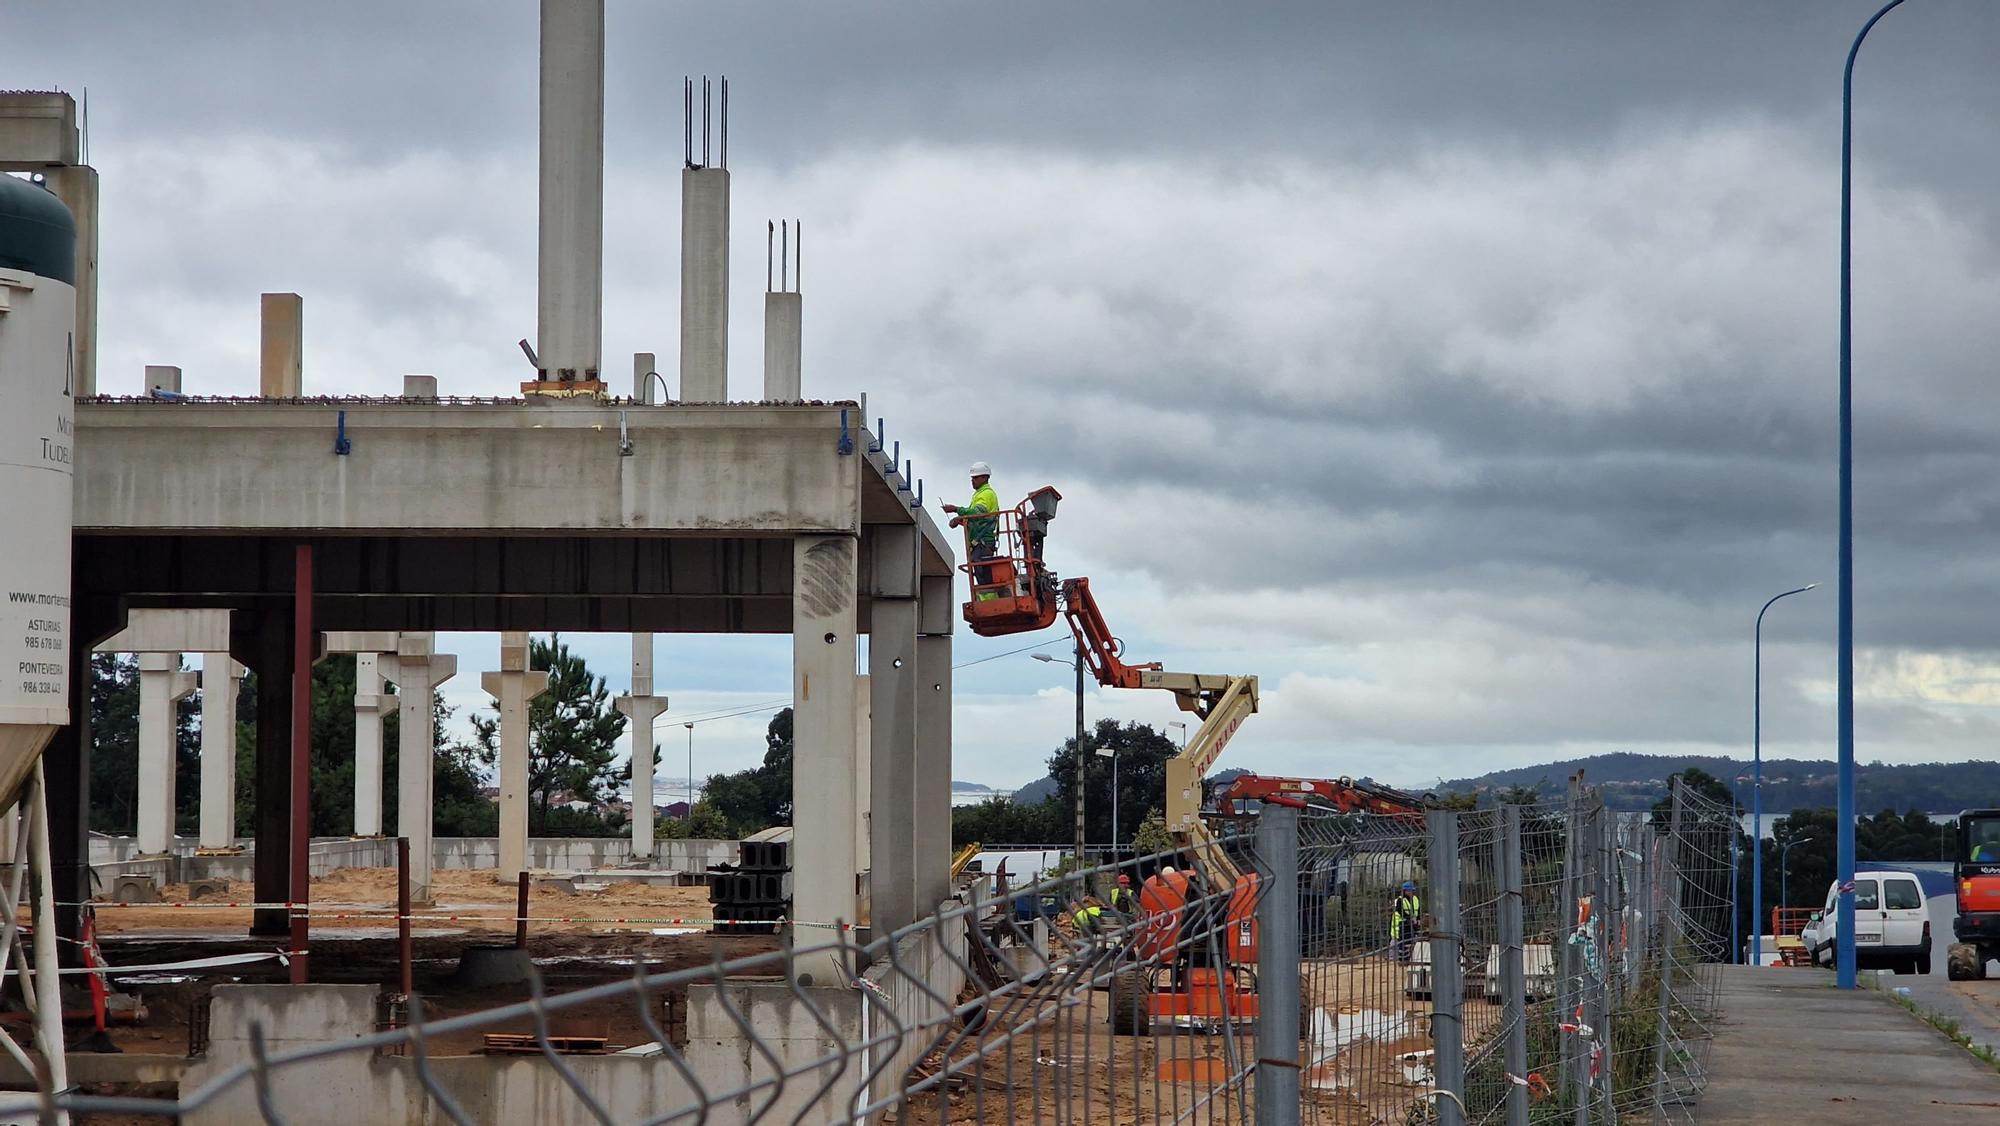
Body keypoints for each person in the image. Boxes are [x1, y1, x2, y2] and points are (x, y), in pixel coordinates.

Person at [943, 462, 1002, 600]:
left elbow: (978, 513)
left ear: (984, 478)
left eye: (975, 478)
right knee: (981, 576)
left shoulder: (986, 494)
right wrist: (960, 520)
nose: (972, 481)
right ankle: (988, 602)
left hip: (983, 543)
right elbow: (978, 521)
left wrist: (956, 509)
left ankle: (990, 604)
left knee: (984, 577)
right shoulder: (979, 494)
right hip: (979, 542)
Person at [1390, 880, 1423, 962]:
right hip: (1400, 926)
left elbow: (1418, 911)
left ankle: (1407, 959)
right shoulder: (1400, 900)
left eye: (1413, 891)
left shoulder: (1415, 899)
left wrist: (1418, 919)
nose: (1412, 892)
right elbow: (1400, 911)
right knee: (1398, 944)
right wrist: (1410, 918)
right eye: (1410, 891)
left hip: (1411, 925)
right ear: (1405, 891)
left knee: (1410, 943)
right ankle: (1397, 960)